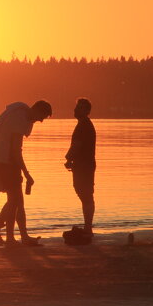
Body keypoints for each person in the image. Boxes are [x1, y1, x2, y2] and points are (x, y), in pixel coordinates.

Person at [0, 100, 52, 246]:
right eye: (42, 116)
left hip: (7, 162)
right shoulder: (19, 118)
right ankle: (0, 230)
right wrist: (26, 173)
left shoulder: (20, 116)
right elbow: (15, 149)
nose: (41, 120)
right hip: (6, 162)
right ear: (37, 110)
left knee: (16, 201)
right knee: (14, 200)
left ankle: (13, 236)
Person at [64, 97, 96, 234]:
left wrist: (68, 157)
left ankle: (88, 227)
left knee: (86, 195)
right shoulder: (84, 124)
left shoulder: (84, 125)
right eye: (76, 107)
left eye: (79, 107)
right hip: (83, 165)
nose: (75, 109)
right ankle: (87, 226)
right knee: (84, 194)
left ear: (86, 110)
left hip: (84, 166)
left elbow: (77, 145)